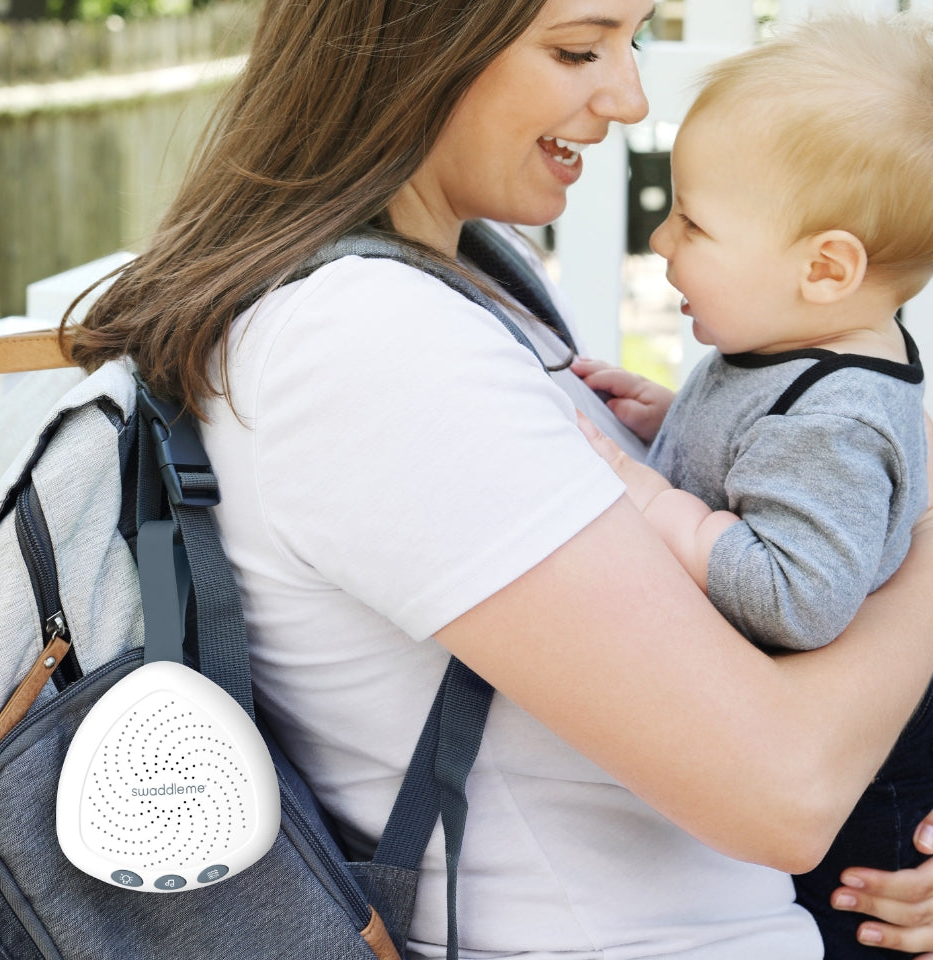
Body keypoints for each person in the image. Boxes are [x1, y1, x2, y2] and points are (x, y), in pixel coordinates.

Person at [63, 1, 933, 957]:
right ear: (420, 37)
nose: (629, 96)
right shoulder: (374, 340)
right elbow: (787, 789)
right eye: (577, 49)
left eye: (629, 42)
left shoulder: (469, 273)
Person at [573, 14, 933, 957]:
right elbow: (765, 459)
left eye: (692, 220)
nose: (661, 236)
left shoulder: (837, 418)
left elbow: (794, 593)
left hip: (862, 823)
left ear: (825, 268)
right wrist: (668, 419)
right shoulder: (799, 347)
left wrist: (651, 500)